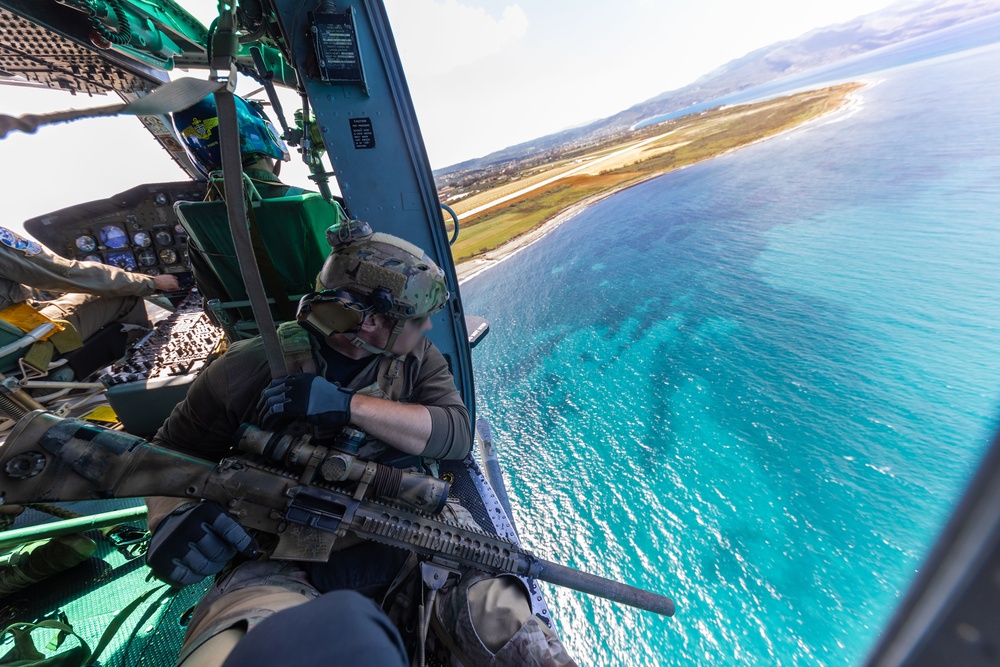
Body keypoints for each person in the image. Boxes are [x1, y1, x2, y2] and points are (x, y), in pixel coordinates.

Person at [144, 222, 575, 666]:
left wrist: (348, 406)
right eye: (413, 318)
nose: (427, 326)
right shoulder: (245, 369)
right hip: (278, 553)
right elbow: (167, 457)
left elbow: (454, 435)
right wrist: (171, 520)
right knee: (243, 647)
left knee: (508, 626)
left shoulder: (415, 359)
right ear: (368, 321)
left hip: (416, 532)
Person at [0, 225, 178, 352]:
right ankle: (149, 354)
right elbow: (65, 273)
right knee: (126, 296)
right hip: (22, 343)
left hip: (8, 347)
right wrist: (150, 283)